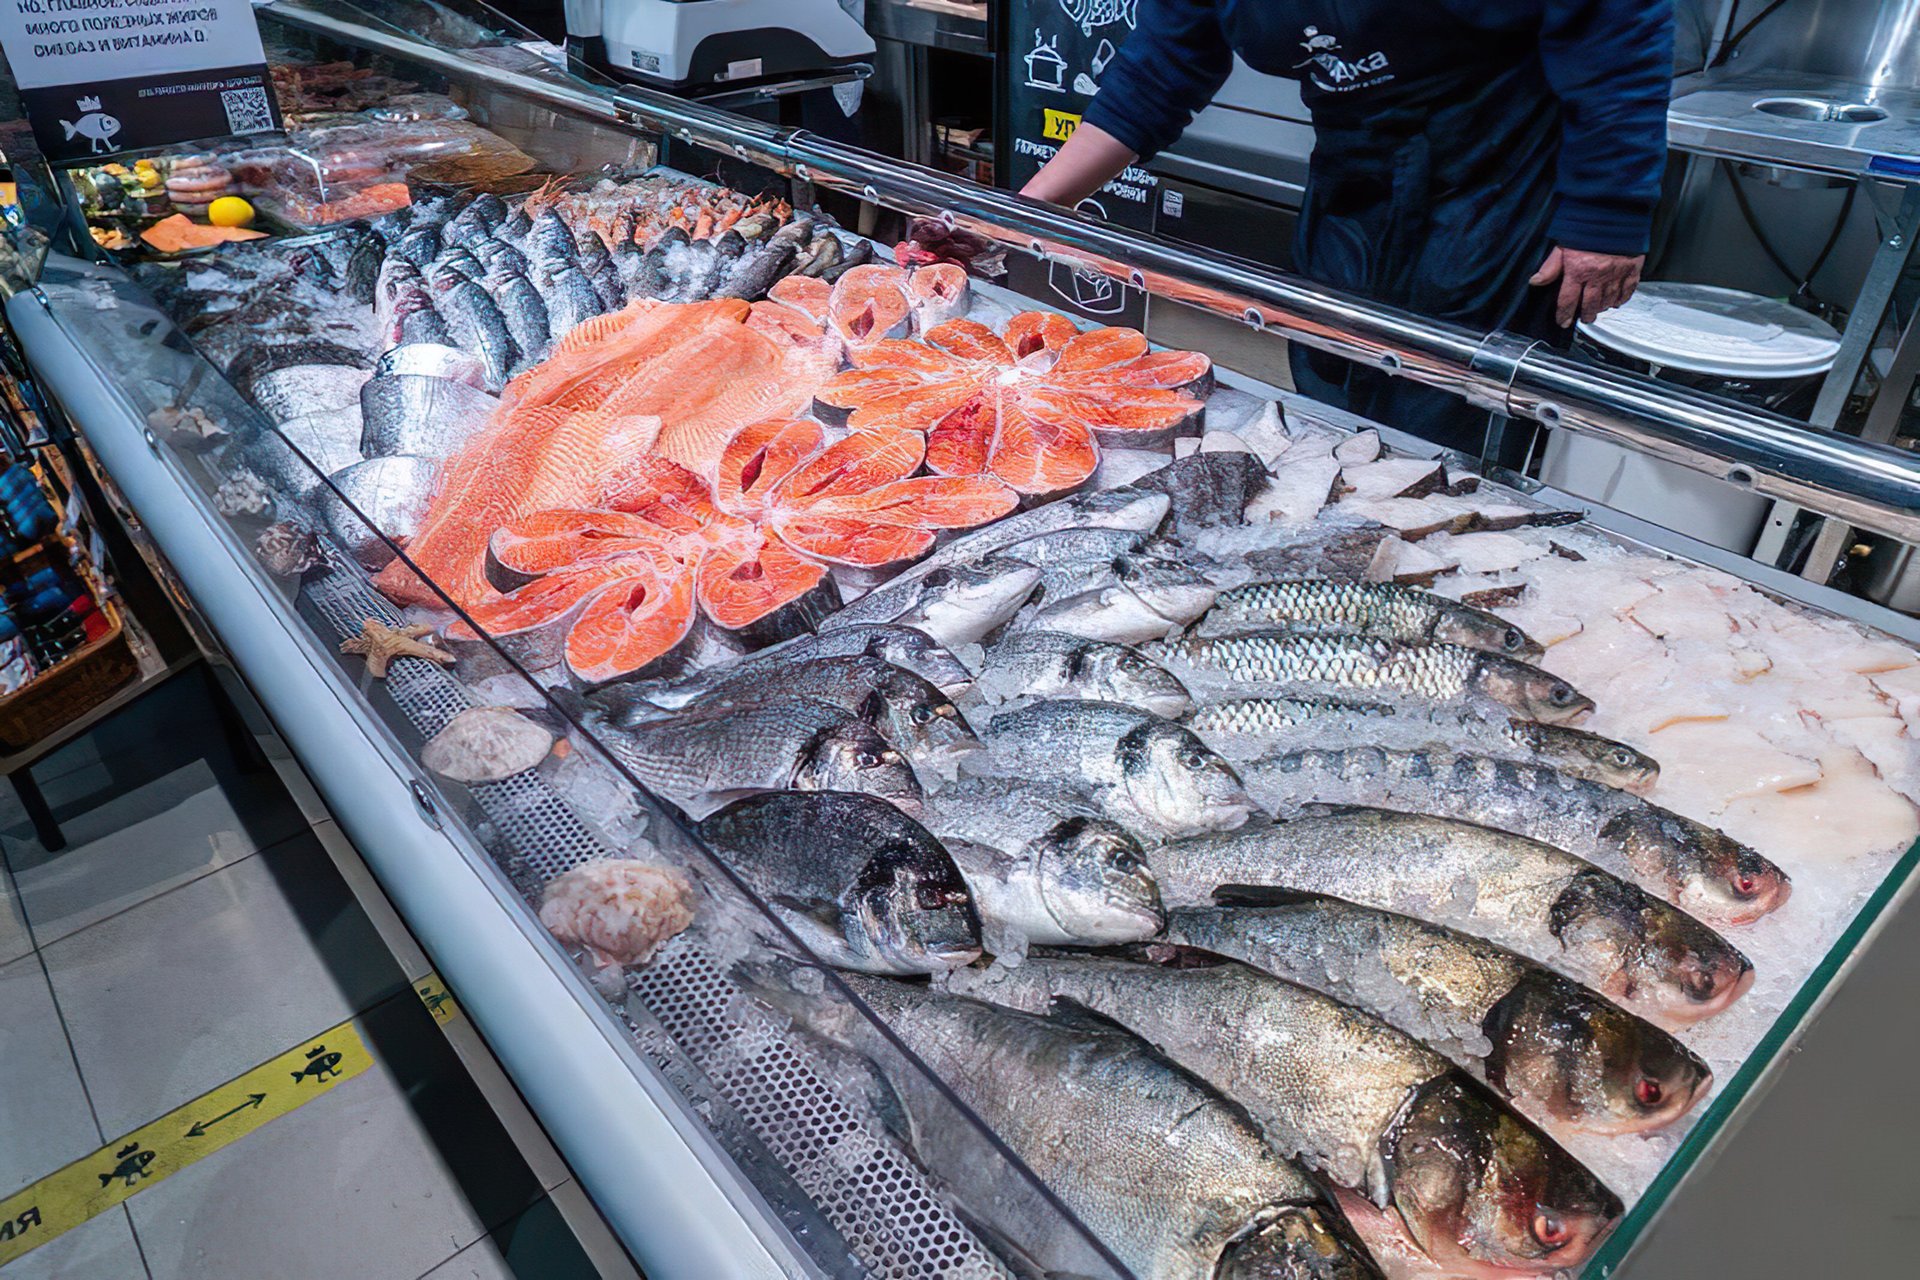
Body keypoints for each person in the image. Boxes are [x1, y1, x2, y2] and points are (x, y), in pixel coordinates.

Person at [1022, 1, 1675, 454]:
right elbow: (1156, 75)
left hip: (1497, 164)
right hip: (1354, 163)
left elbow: (1618, 33)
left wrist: (1606, 219)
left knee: (1444, 409)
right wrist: (1027, 211)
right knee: (1329, 372)